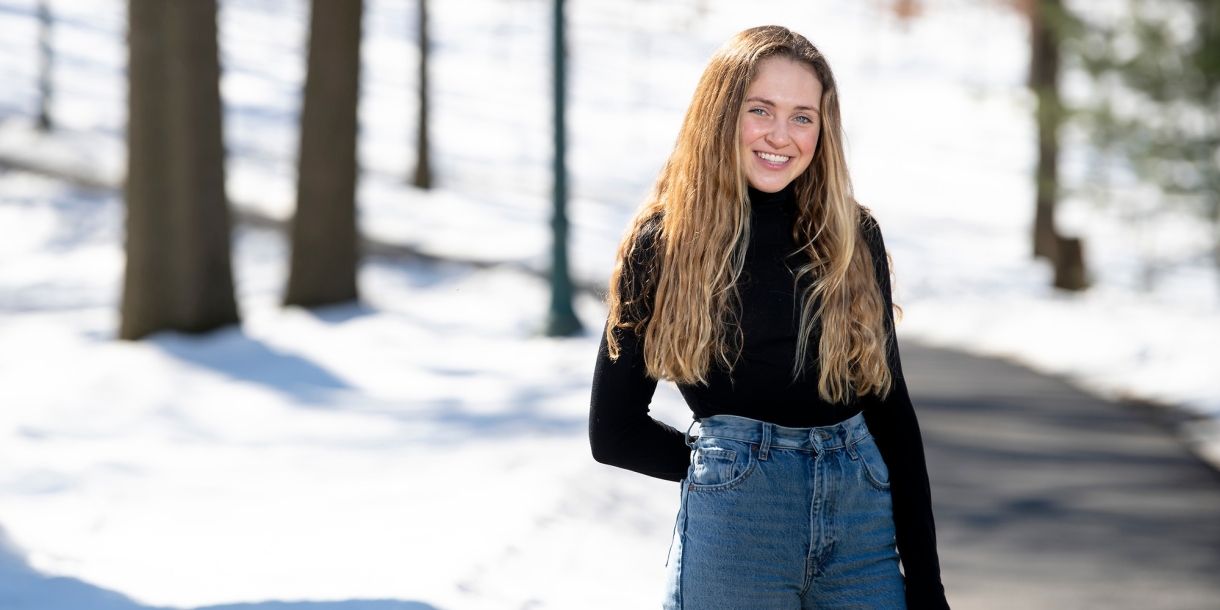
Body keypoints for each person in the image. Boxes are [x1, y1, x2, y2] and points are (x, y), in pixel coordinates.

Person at [589, 25, 950, 610]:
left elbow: (892, 416)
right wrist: (734, 471)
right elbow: (615, 432)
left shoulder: (852, 238)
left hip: (861, 530)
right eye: (761, 110)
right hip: (739, 532)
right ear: (721, 114)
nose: (781, 136)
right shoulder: (663, 246)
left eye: (803, 117)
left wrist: (928, 588)